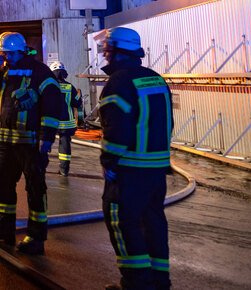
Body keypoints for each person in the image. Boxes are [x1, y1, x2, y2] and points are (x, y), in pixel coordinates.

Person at [99, 27, 173, 290]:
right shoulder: (155, 79)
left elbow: (117, 128)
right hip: (156, 168)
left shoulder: (118, 82)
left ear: (117, 52)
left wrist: (109, 161)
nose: (105, 56)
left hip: (130, 168)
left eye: (107, 50)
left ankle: (136, 283)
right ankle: (159, 281)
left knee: (123, 223)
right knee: (153, 222)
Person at [0, 32, 63, 255]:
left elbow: (54, 102)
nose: (5, 57)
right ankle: (3, 229)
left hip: (32, 143)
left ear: (20, 50)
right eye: (3, 54)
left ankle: (36, 238)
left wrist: (47, 137)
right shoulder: (6, 69)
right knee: (4, 186)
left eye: (7, 53)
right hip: (7, 141)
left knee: (35, 189)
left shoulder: (40, 72)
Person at [50, 61, 83, 176]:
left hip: (51, 122)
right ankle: (64, 170)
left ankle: (40, 167)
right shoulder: (70, 87)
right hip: (66, 123)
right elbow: (78, 103)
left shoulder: (49, 85)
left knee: (44, 143)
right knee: (65, 145)